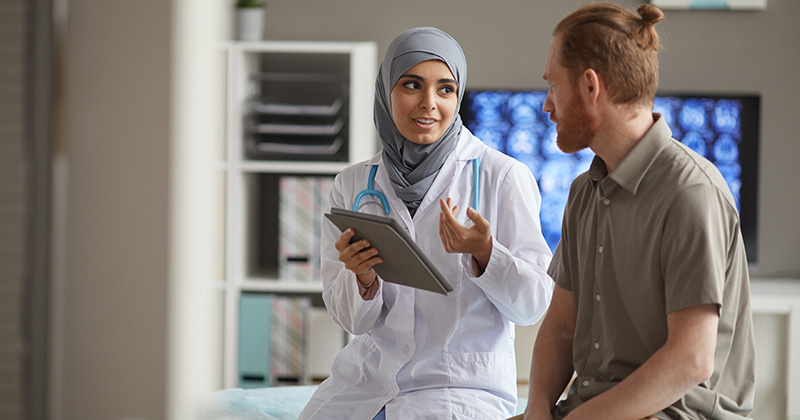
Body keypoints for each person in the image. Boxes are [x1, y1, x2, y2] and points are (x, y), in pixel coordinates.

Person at [512, 3, 756, 420]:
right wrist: (536, 408)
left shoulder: (690, 192)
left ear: (591, 87)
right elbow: (562, 326)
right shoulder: (582, 192)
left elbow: (690, 361)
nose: (546, 105)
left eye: (553, 86)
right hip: (593, 408)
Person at [298, 27, 554, 420]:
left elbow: (533, 305)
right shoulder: (352, 183)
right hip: (364, 383)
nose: (429, 104)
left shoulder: (502, 176)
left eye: (445, 89)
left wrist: (486, 254)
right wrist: (364, 278)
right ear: (387, 92)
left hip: (459, 387)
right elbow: (350, 319)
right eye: (412, 85)